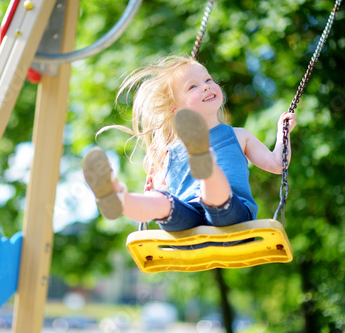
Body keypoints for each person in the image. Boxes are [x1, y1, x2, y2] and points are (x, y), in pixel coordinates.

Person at [82, 55, 297, 235]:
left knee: (215, 199)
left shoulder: (238, 136)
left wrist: (283, 134)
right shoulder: (169, 151)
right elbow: (160, 191)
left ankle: (206, 165)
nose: (206, 87)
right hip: (187, 222)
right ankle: (119, 199)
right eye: (193, 86)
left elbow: (277, 164)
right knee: (161, 202)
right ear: (176, 109)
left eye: (208, 80)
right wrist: (153, 189)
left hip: (232, 217)